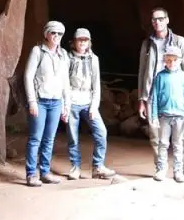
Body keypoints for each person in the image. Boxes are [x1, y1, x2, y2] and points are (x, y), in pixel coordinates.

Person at [137, 7, 184, 177]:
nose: (157, 22)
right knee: (155, 132)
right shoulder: (147, 43)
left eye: (160, 18)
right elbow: (142, 71)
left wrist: (183, 93)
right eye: (154, 19)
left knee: (182, 132)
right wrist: (142, 98)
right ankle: (161, 168)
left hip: (175, 93)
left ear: (167, 20)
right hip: (154, 94)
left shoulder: (179, 42)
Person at [65, 28, 117, 180]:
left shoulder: (94, 59)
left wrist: (94, 106)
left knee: (101, 132)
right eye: (79, 40)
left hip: (88, 101)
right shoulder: (67, 58)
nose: (82, 42)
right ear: (74, 42)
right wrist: (66, 104)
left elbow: (96, 84)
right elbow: (64, 83)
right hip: (72, 101)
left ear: (89, 42)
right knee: (73, 136)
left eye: (85, 40)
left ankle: (98, 166)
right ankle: (75, 167)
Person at [23, 20, 70, 187]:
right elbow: (28, 76)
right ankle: (31, 174)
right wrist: (32, 101)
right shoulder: (38, 51)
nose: (56, 36)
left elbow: (65, 81)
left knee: (49, 139)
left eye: (59, 33)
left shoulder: (63, 54)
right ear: (46, 34)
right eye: (53, 33)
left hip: (56, 101)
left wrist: (66, 105)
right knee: (35, 138)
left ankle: (45, 172)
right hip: (40, 101)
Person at [148, 45, 184, 182]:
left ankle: (178, 171)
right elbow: (153, 98)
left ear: (179, 60)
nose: (171, 63)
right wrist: (154, 116)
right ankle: (161, 169)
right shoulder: (159, 77)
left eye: (174, 60)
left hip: (179, 116)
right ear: (164, 60)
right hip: (164, 116)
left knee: (178, 144)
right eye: (168, 60)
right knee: (163, 143)